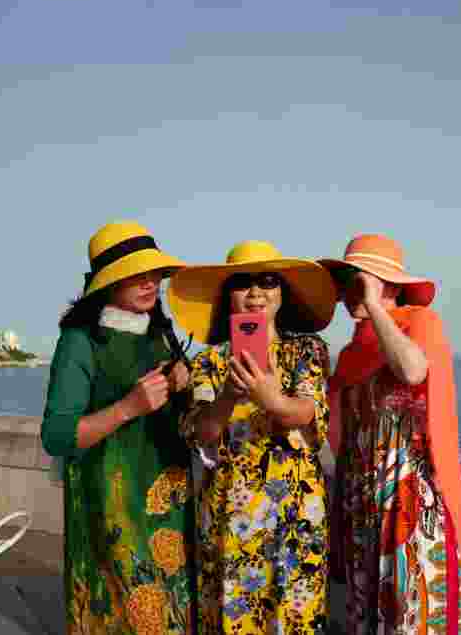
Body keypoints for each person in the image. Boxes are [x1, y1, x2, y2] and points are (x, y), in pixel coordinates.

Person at [169, 240, 337, 634]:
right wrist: (228, 395)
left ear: (283, 294)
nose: (257, 292)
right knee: (232, 619)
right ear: (228, 295)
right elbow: (202, 433)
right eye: (244, 283)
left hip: (294, 512)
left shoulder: (307, 351)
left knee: (295, 617)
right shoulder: (209, 362)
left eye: (268, 281)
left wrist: (270, 398)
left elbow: (309, 412)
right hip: (230, 512)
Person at [40, 221, 198, 634]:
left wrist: (186, 383)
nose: (149, 283)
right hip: (112, 506)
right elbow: (56, 437)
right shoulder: (80, 340)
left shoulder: (163, 335)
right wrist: (128, 407)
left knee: (171, 613)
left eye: (153, 273)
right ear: (106, 283)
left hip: (171, 503)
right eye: (134, 274)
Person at [321, 234, 461, 634]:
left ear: (389, 284)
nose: (349, 290)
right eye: (346, 282)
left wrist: (374, 305)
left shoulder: (420, 322)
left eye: (361, 278)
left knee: (414, 615)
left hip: (411, 499)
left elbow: (411, 371)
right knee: (369, 619)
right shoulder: (353, 352)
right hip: (361, 500)